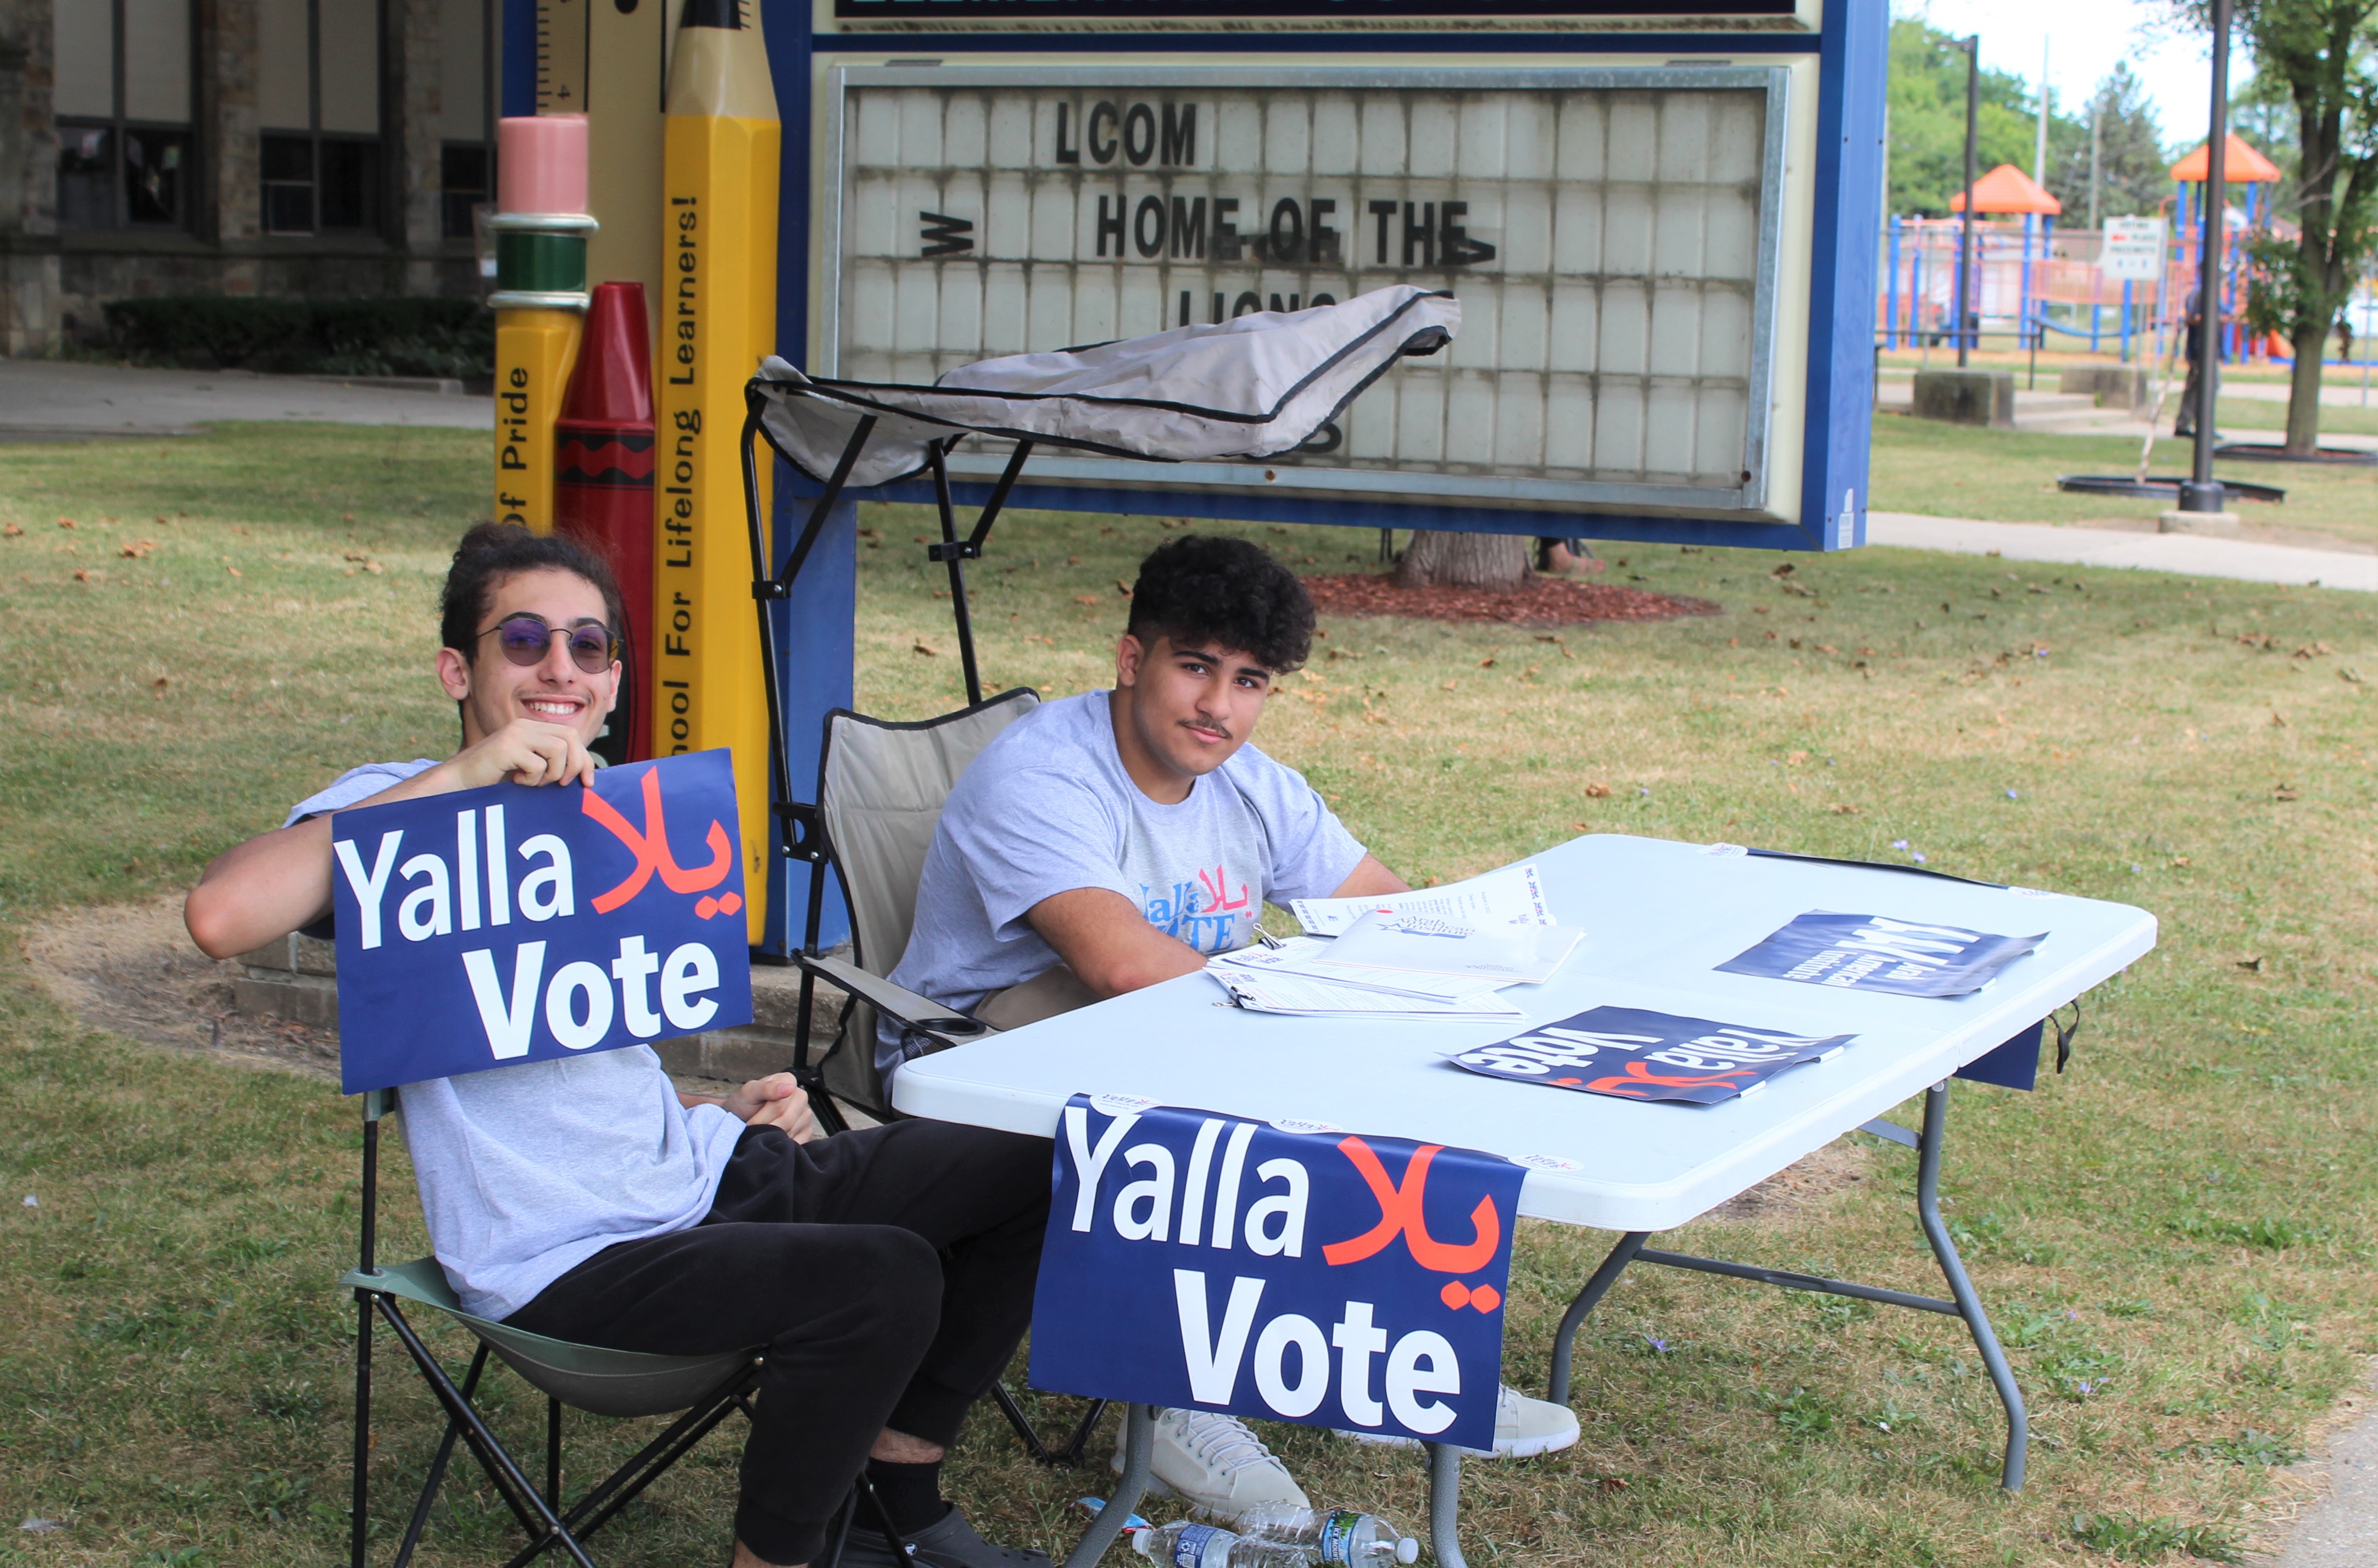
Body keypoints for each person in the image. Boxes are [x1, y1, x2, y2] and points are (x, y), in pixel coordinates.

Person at [185, 522, 1053, 1568]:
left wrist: (711, 1116)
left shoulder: (620, 817)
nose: (560, 668)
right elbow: (222, 916)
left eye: (588, 647)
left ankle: (892, 1494)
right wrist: (468, 772)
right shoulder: (398, 814)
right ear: (458, 669)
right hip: (565, 1257)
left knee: (1040, 1160)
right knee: (886, 1276)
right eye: (524, 640)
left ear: (611, 681)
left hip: (705, 1177)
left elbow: (581, 1066)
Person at [884, 534, 1579, 1517]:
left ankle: (1378, 1361)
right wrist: (1299, 999)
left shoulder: (1252, 784)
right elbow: (1118, 963)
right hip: (979, 1046)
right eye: (1195, 667)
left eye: (1249, 681)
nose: (1219, 707)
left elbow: (1382, 910)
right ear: (1133, 662)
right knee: (1213, 1095)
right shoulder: (1043, 773)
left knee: (1378, 1055)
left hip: (1166, 1021)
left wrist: (1474, 959)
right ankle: (1172, 1400)